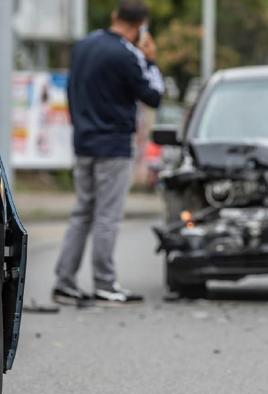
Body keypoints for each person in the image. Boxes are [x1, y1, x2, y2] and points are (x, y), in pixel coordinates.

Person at [53, 0, 164, 306]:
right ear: (140, 26)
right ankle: (104, 282)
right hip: (113, 145)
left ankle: (65, 281)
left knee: (82, 213)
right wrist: (151, 61)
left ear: (115, 16)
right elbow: (153, 96)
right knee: (108, 216)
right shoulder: (128, 54)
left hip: (84, 141)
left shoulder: (83, 46)